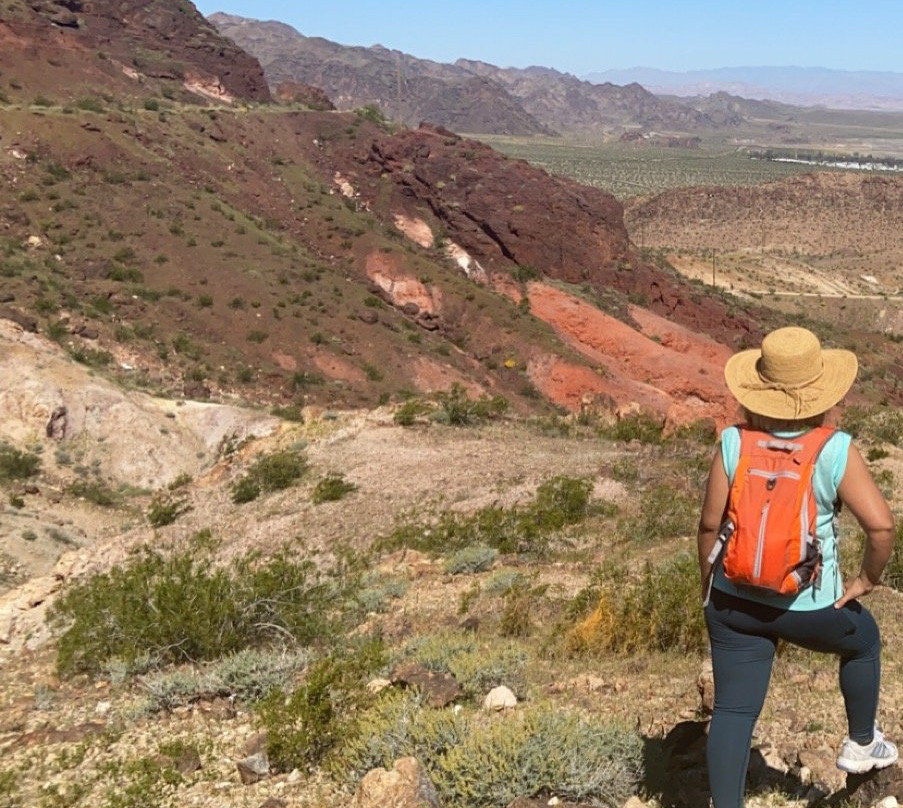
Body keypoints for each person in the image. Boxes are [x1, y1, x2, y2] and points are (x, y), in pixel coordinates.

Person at [697, 326, 897, 808]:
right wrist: (867, 579)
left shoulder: (733, 443)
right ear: (820, 393)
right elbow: (882, 528)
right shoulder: (833, 449)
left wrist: (710, 588)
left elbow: (708, 527)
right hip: (808, 608)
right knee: (865, 641)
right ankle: (862, 743)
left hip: (732, 599)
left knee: (732, 710)